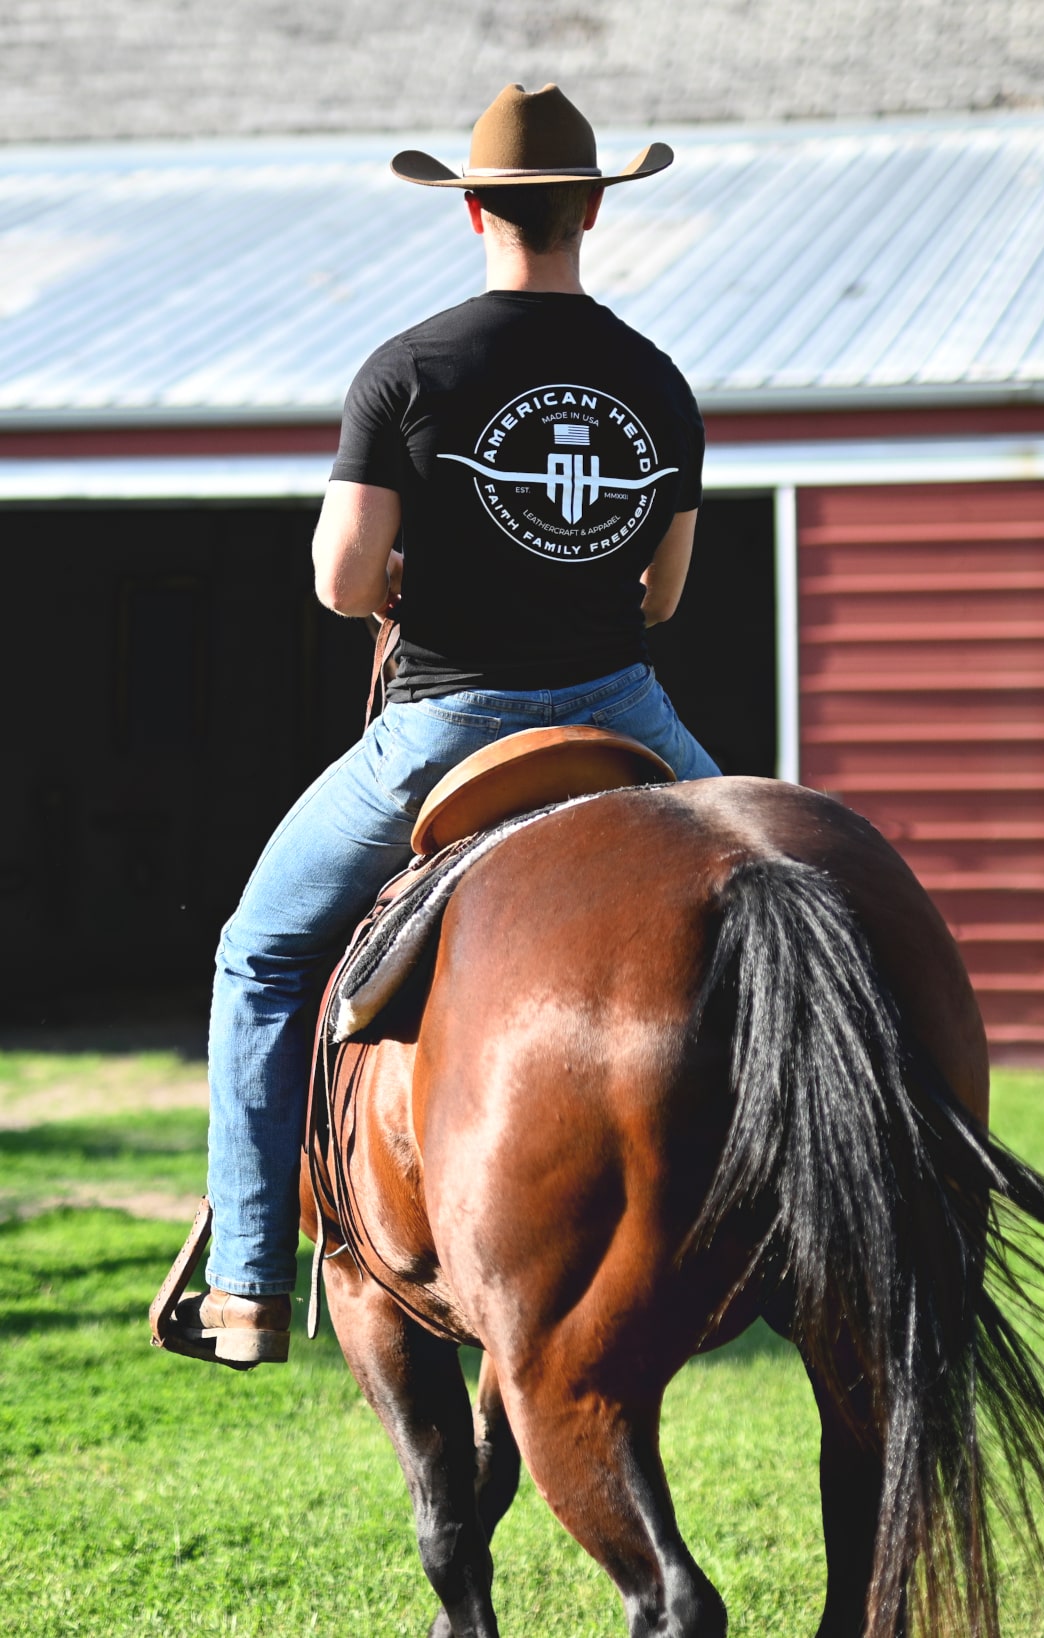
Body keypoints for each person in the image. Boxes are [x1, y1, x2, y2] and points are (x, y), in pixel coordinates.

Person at [160, 82, 719, 1368]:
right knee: (799, 903)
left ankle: (245, 1284)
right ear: (592, 210)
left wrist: (414, 569)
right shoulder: (658, 379)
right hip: (626, 709)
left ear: (473, 210)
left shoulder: (408, 369)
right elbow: (667, 595)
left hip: (440, 728)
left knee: (258, 957)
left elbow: (343, 586)